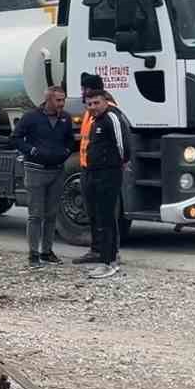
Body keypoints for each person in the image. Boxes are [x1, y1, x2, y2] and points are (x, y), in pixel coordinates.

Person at [13, 87, 75, 267]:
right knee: (35, 215)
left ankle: (47, 252)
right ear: (48, 100)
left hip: (56, 171)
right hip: (35, 171)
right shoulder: (31, 117)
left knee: (51, 214)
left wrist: (66, 151)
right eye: (58, 100)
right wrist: (31, 151)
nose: (62, 104)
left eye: (63, 100)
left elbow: (70, 139)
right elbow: (16, 138)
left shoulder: (65, 118)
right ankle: (33, 255)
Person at [74, 73, 131, 265]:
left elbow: (121, 142)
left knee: (106, 214)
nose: (83, 93)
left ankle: (110, 253)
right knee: (93, 212)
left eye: (85, 89)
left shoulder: (109, 113)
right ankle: (97, 249)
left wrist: (122, 161)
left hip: (104, 171)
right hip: (88, 168)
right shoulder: (91, 111)